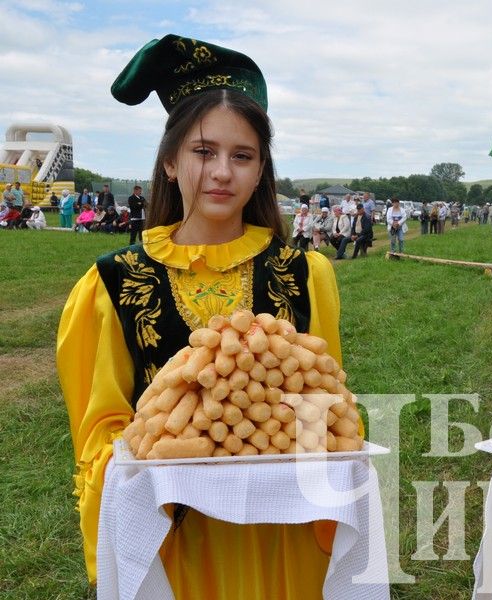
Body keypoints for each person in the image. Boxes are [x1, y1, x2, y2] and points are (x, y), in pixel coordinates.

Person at [57, 34, 343, 598]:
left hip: (280, 537)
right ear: (169, 162)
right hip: (174, 541)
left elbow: (325, 399)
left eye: (242, 156)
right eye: (203, 151)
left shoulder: (304, 273)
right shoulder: (112, 284)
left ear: (261, 172)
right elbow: (101, 428)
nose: (221, 172)